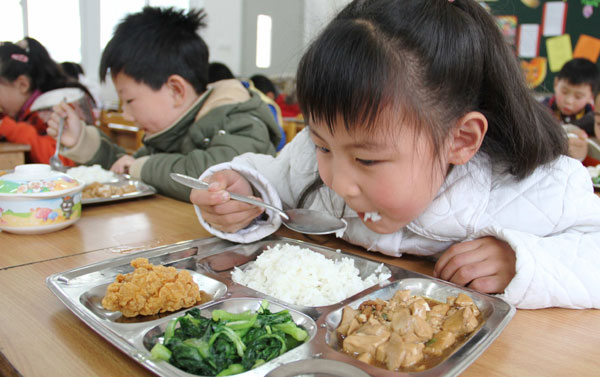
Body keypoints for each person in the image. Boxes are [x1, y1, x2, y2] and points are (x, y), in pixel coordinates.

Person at [189, 0, 600, 309]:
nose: (335, 178)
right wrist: (243, 190)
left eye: (367, 160)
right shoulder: (317, 157)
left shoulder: (537, 186)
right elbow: (276, 179)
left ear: (460, 140)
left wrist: (522, 262)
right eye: (322, 145)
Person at [47, 7, 281, 202]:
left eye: (129, 100)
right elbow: (128, 167)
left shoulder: (240, 116)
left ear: (175, 90)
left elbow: (211, 176)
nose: (126, 114)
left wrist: (138, 167)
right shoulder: (168, 132)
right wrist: (82, 142)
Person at [0, 38, 93, 166]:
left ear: (23, 84)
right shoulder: (26, 109)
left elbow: (64, 160)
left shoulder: (60, 103)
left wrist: (11, 129)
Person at [542, 58, 600, 164]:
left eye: (578, 96)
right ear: (555, 84)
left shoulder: (594, 121)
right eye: (564, 92)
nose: (569, 101)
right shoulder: (541, 111)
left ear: (591, 97)